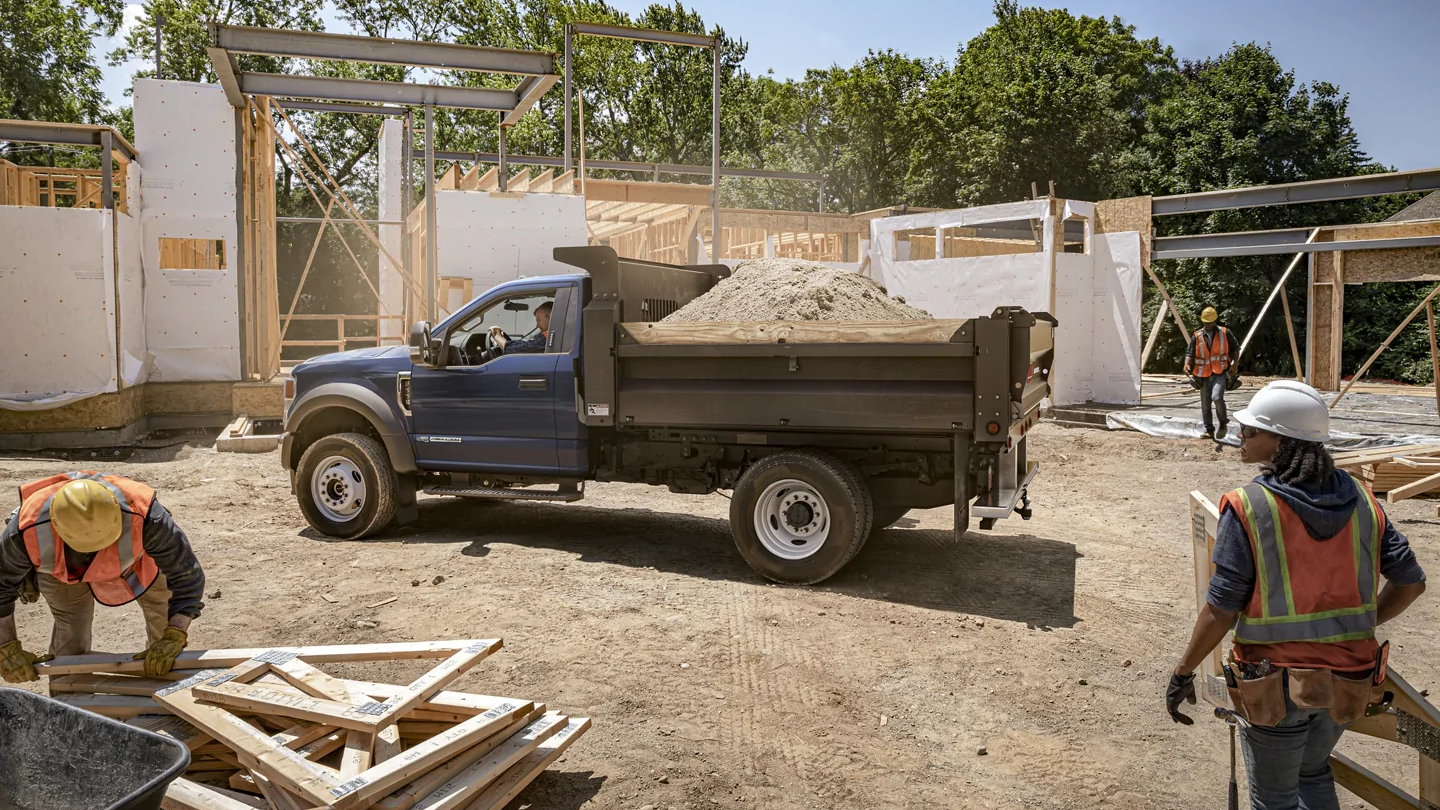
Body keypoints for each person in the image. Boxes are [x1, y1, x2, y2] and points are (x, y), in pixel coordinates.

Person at [1166, 381, 1427, 810]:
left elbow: (1222, 607)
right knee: (1312, 773)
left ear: (1282, 442)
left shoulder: (1249, 506)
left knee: (1275, 798)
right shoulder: (1362, 499)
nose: (1240, 438)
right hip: (1350, 677)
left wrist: (1183, 671)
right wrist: (1362, 624)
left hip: (1276, 684)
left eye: (1251, 432)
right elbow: (1411, 583)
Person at [0, 473, 206, 682]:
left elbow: (186, 576)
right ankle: (67, 692)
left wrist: (175, 633)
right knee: (71, 628)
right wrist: (6, 649)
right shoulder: (25, 529)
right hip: (61, 571)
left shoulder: (146, 515)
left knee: (163, 619)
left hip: (137, 563)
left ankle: (166, 686)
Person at [1184, 306, 1236, 441]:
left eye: (1210, 322)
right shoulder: (1197, 335)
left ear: (1215, 321)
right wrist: (1186, 364)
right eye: (1206, 322)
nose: (1208, 324)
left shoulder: (1225, 333)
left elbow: (1235, 349)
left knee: (1217, 397)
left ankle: (1223, 422)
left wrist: (1235, 364)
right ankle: (1209, 430)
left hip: (1220, 372)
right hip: (1203, 374)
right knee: (1205, 405)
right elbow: (1190, 353)